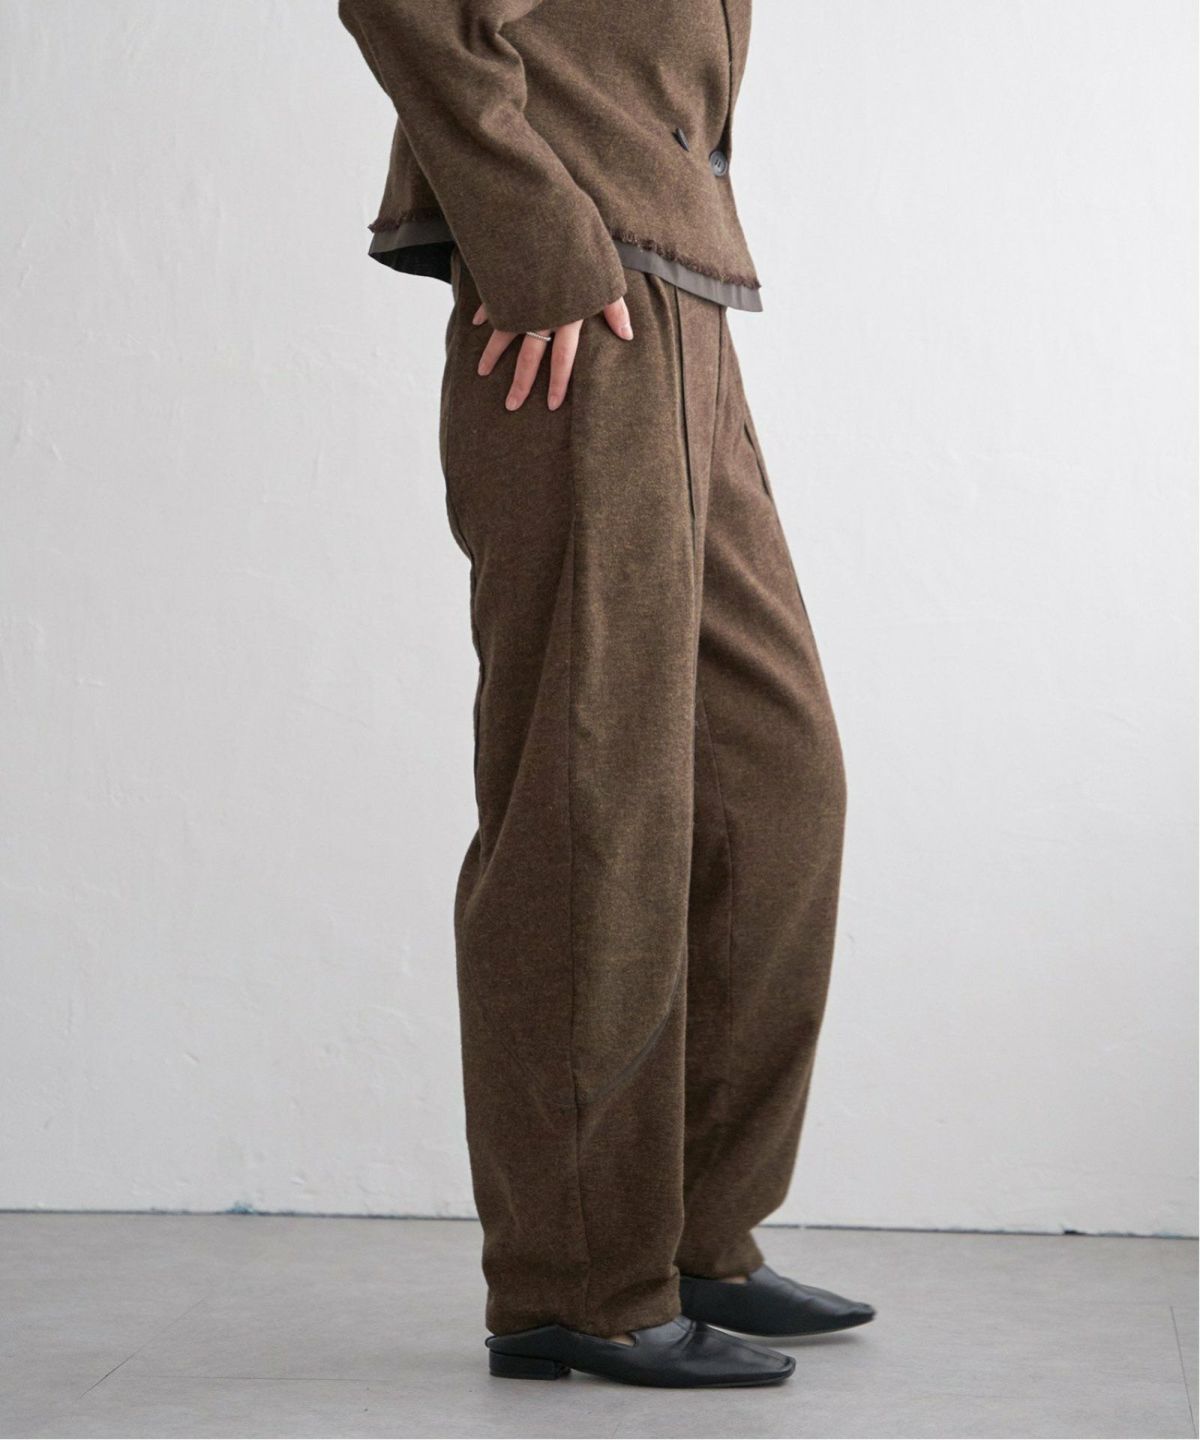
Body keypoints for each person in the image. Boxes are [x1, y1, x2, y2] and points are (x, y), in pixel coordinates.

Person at [337, 0, 875, 1389]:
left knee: (776, 782)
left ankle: (691, 1233)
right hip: (576, 310)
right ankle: (580, 1278)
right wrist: (537, 241)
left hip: (680, 293)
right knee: (596, 803)